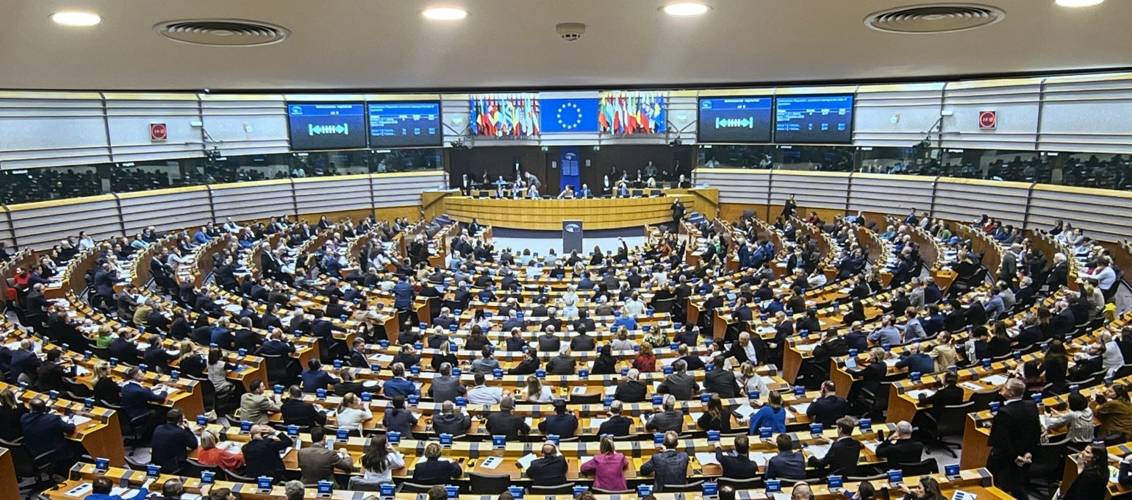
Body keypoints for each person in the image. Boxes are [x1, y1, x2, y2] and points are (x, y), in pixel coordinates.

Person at [986, 378, 1040, 499]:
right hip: (1024, 453)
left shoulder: (1004, 412)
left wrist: (1015, 456)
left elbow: (1002, 440)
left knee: (999, 482)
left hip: (1006, 457)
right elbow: (1036, 432)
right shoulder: (1032, 405)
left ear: (1011, 393)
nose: (1002, 389)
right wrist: (1029, 452)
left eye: (1005, 388)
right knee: (1016, 482)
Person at [21, 398, 76, 471]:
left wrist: (46, 412)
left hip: (33, 451)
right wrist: (71, 420)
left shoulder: (24, 418)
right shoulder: (52, 419)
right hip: (50, 452)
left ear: (30, 408)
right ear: (44, 408)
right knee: (75, 446)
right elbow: (70, 430)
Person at [150, 408, 199, 474]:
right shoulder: (180, 432)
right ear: (180, 420)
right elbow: (194, 444)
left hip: (156, 466)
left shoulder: (158, 428)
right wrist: (187, 429)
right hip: (173, 468)